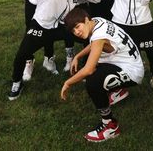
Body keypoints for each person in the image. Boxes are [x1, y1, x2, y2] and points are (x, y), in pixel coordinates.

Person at [8, 0, 101, 101]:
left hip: (60, 27)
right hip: (41, 25)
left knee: (89, 36)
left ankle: (87, 69)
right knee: (22, 54)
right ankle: (16, 82)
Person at [61, 8, 144, 142]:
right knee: (95, 66)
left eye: (77, 26)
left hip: (133, 72)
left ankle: (110, 126)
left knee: (93, 81)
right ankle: (118, 91)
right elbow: (95, 44)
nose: (76, 32)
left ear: (86, 20)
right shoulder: (97, 21)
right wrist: (78, 55)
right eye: (73, 31)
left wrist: (68, 82)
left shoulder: (98, 34)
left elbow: (88, 69)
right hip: (127, 62)